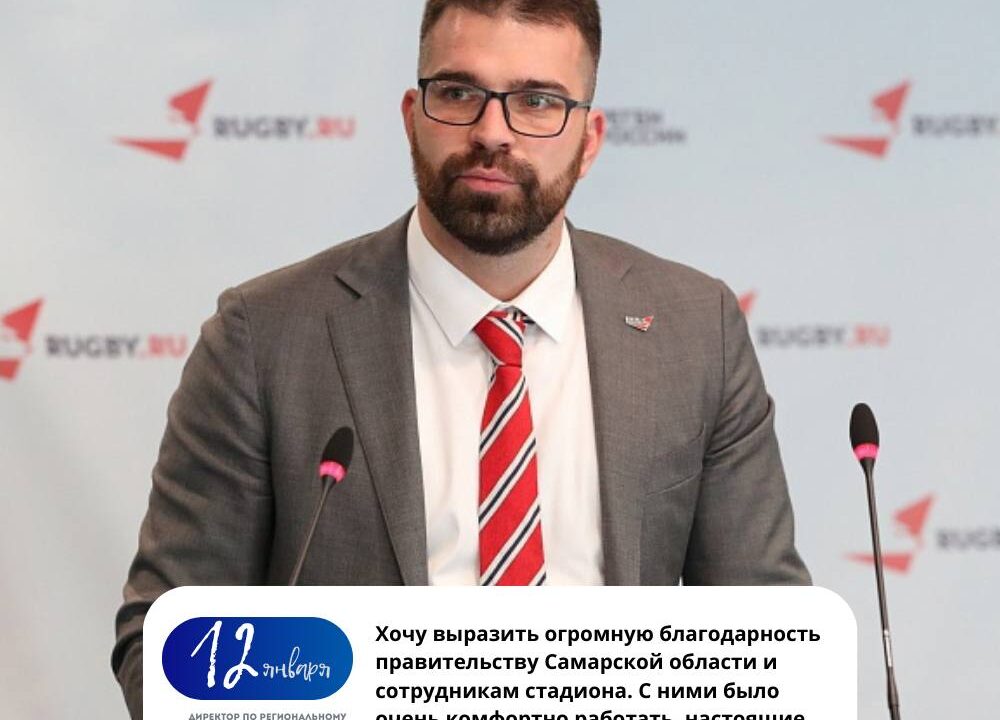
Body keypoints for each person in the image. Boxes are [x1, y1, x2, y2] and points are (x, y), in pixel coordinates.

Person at [113, 0, 810, 716]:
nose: (492, 132)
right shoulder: (265, 337)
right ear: (412, 115)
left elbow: (772, 643)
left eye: (537, 102)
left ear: (589, 139)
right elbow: (165, 648)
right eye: (458, 92)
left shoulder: (694, 330)